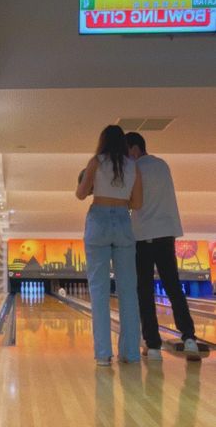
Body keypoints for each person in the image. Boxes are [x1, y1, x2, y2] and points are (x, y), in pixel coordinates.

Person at [125, 132, 200, 361]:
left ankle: (153, 345)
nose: (126, 158)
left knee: (145, 291)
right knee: (174, 287)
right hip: (167, 235)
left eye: (126, 153)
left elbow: (132, 200)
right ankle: (189, 338)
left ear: (134, 149)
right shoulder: (163, 165)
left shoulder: (135, 169)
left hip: (143, 236)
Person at [76, 125, 142, 366]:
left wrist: (91, 184)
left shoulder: (96, 162)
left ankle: (103, 355)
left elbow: (81, 194)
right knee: (128, 292)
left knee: (99, 292)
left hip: (99, 222)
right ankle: (131, 354)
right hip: (124, 222)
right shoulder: (133, 166)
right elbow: (138, 202)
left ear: (102, 141)